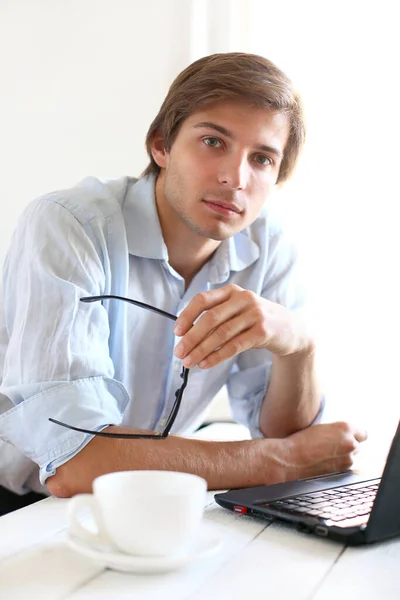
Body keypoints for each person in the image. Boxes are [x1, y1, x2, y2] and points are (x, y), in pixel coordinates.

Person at [0, 52, 366, 512]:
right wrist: (279, 462)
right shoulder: (68, 225)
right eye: (213, 141)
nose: (235, 178)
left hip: (153, 493)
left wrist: (299, 345)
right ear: (161, 146)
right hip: (23, 506)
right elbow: (76, 460)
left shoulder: (269, 244)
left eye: (262, 159)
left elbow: (288, 436)